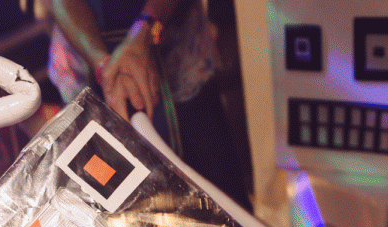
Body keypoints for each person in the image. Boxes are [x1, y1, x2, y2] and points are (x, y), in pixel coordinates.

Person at [49, 0, 254, 210]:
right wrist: (104, 67)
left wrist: (146, 33)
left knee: (221, 198)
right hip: (86, 64)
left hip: (178, 61)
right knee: (119, 206)